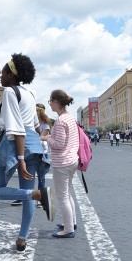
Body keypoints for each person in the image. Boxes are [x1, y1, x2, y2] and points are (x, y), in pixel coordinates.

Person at [0, 54, 54, 253]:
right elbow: (34, 125)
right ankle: (22, 238)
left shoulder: (9, 92)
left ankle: (38, 194)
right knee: (28, 193)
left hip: (14, 143)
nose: (0, 76)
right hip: (32, 143)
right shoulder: (30, 94)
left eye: (4, 72)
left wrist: (21, 158)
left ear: (12, 75)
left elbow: (16, 127)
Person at [42, 90, 79, 238]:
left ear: (56, 102)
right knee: (67, 193)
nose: (49, 103)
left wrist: (45, 139)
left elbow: (58, 144)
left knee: (62, 196)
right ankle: (71, 222)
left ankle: (68, 229)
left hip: (62, 162)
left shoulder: (60, 121)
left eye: (50, 101)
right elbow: (63, 138)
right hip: (72, 160)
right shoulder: (69, 118)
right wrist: (51, 136)